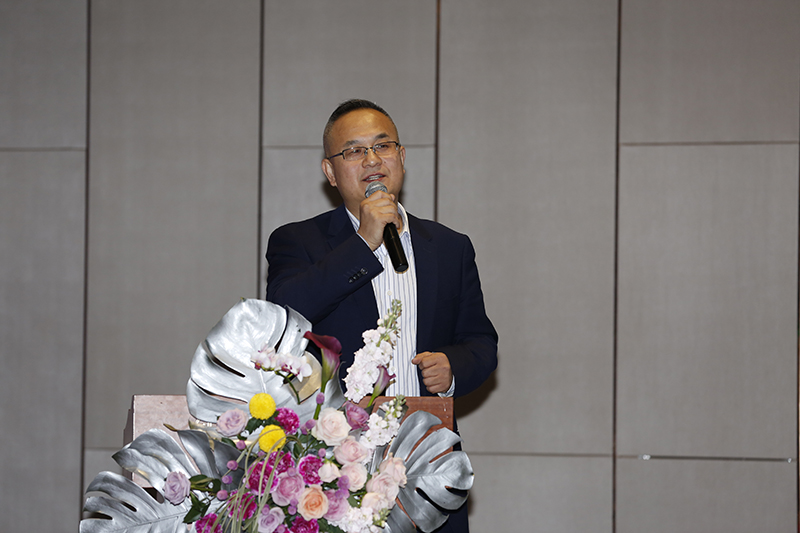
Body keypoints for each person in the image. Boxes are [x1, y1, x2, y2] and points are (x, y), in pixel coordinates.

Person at [265, 99, 497, 532]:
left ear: (401, 157)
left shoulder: (450, 247)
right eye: (354, 151)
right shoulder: (298, 241)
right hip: (333, 470)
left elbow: (480, 342)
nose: (371, 160)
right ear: (331, 172)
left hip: (427, 463)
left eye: (382, 146)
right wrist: (363, 243)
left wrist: (453, 367)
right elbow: (284, 314)